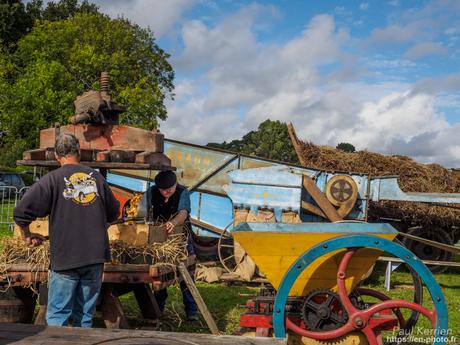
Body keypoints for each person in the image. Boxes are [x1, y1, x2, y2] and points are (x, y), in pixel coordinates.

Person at [14, 134, 120, 327]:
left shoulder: (51, 180)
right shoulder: (96, 178)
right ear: (78, 151)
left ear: (56, 156)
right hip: (95, 257)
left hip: (65, 258)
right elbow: (114, 213)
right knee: (85, 316)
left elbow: (21, 212)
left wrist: (27, 235)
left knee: (58, 316)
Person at [145, 170, 198, 321]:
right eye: (162, 190)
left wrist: (173, 223)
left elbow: (183, 213)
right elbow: (142, 207)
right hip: (159, 238)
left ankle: (191, 311)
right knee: (160, 272)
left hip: (181, 237)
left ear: (175, 184)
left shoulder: (183, 192)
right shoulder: (152, 192)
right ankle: (158, 309)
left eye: (170, 189)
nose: (166, 192)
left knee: (186, 272)